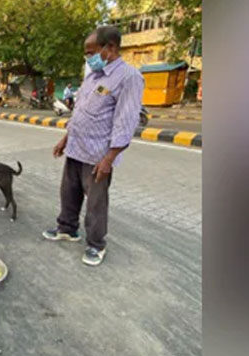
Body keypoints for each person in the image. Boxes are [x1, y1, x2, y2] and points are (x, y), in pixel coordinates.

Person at [42, 25, 144, 266]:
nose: (88, 57)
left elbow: (126, 121)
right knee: (69, 192)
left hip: (98, 155)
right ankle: (67, 228)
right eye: (86, 53)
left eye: (91, 52)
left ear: (110, 48)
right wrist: (65, 139)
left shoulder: (129, 77)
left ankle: (96, 244)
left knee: (96, 202)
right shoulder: (93, 76)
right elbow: (81, 112)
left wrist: (109, 159)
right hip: (76, 148)